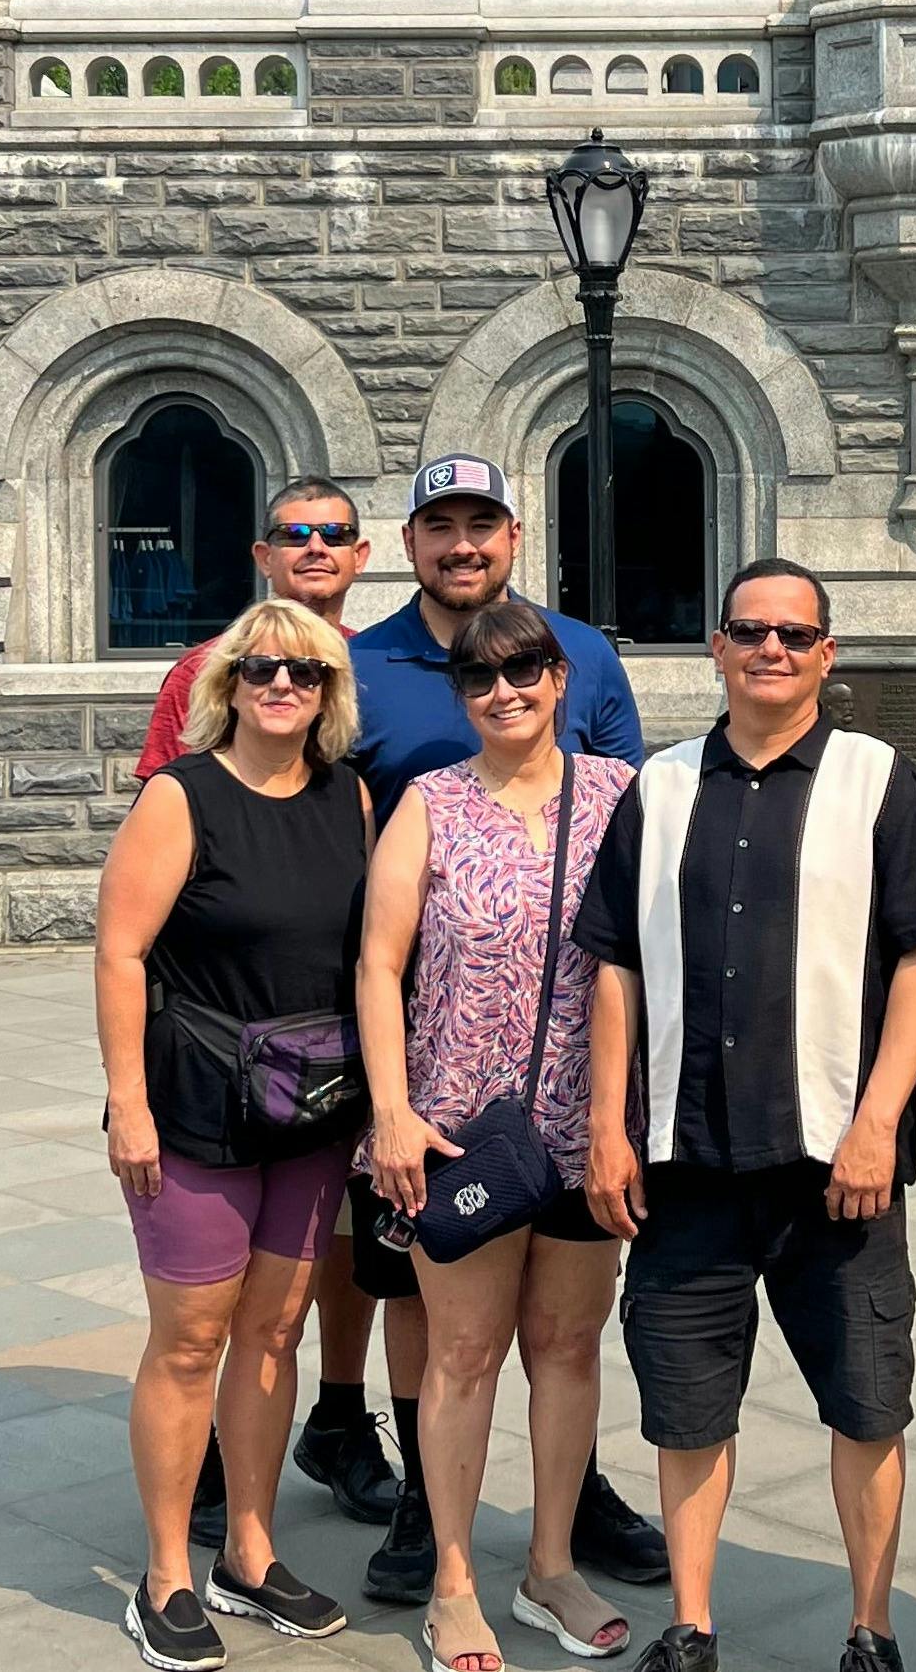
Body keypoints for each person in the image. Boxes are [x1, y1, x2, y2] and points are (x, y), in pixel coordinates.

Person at [576, 560, 916, 1672]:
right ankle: (692, 1627)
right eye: (752, 631)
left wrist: (879, 1122)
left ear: (826, 655)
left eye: (796, 636)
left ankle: (871, 1628)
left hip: (833, 1164)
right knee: (687, 1414)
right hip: (684, 1161)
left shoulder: (877, 781)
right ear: (717, 645)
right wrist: (607, 1127)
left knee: (867, 1405)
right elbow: (613, 969)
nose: (773, 652)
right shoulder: (655, 790)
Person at [344, 452, 665, 1602]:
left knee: (569, 1345)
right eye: (482, 677)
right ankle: (442, 1556)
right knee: (454, 1343)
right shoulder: (394, 734)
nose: (506, 688)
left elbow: (647, 931)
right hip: (451, 1105)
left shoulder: (615, 773)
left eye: (527, 669)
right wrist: (387, 1109)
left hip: (588, 1116)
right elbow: (374, 953)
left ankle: (552, 1554)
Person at [97, 599, 371, 1670]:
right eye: (259, 668)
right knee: (190, 1338)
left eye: (303, 670)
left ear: (329, 691)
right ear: (228, 684)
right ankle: (166, 1572)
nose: (281, 685)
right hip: (194, 1109)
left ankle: (250, 1554)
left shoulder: (351, 798)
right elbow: (121, 953)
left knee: (275, 1329)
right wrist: (129, 1102)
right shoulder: (182, 797)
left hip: (310, 1104)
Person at [133, 478, 398, 1555]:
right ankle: (182, 1518)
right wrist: (130, 1092)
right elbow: (139, 922)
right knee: (199, 1318)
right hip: (208, 1070)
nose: (316, 548)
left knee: (296, 1300)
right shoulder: (191, 733)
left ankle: (307, 1455)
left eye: (335, 535)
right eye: (297, 534)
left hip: (326, 1071)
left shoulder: (361, 749)